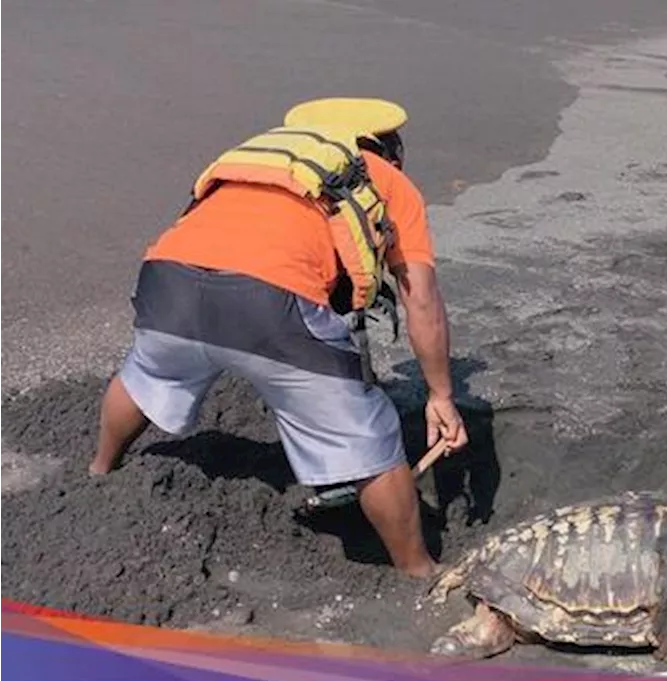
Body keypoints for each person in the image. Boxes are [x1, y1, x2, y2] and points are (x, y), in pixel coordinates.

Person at [87, 97, 468, 582]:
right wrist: (441, 395)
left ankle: (101, 469)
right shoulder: (385, 179)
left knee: (148, 374)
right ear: (385, 146)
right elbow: (421, 300)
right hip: (268, 302)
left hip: (167, 280)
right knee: (369, 436)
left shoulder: (263, 157)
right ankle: (418, 571)